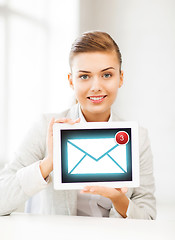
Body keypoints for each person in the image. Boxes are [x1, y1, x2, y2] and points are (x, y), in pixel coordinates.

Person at [0, 31, 156, 219]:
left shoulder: (137, 137)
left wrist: (119, 199)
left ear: (120, 78)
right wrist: (48, 163)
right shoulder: (46, 128)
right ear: (71, 80)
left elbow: (148, 216)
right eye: (84, 76)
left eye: (106, 75)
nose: (96, 86)